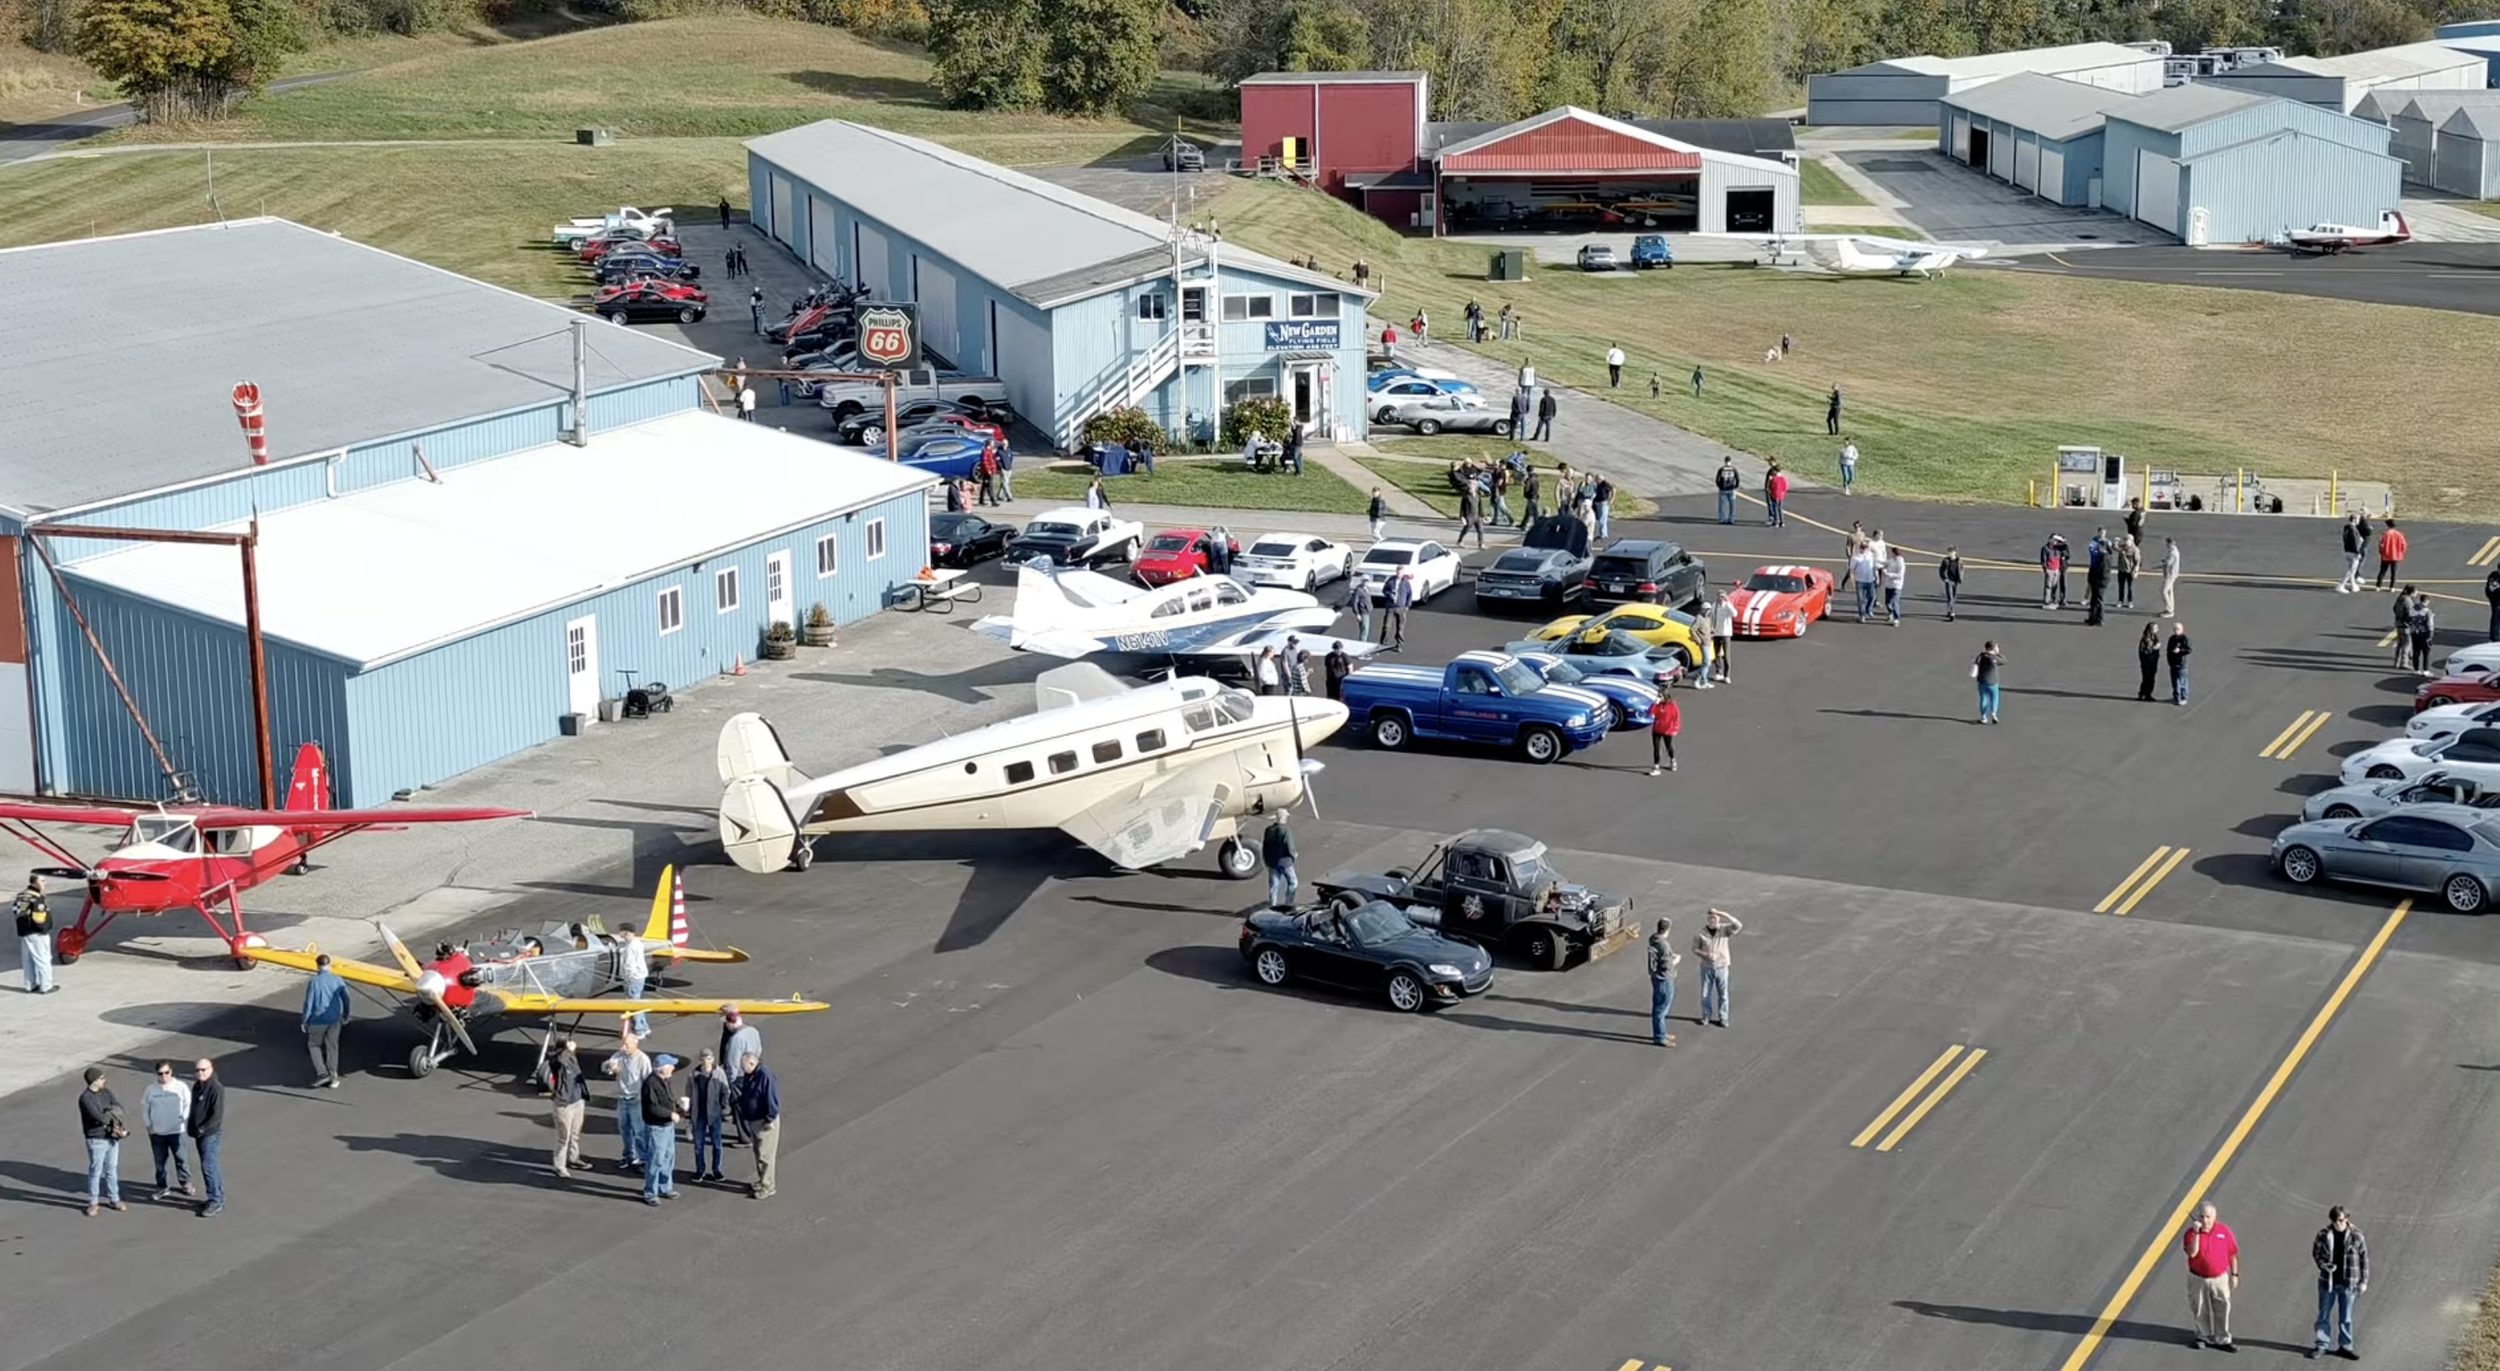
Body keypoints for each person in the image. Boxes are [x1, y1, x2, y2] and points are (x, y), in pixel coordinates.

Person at [2311, 1204, 2368, 1360]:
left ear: (2347, 1218)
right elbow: (2316, 1253)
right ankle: (2321, 1345)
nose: (2338, 1224)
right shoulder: (2324, 1235)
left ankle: (2345, 1346)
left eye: (2341, 1220)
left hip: (2349, 1283)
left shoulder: (2357, 1235)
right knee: (2323, 1315)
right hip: (2327, 1283)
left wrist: (2363, 1282)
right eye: (2335, 1221)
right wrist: (2323, 1265)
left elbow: (2364, 1259)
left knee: (2346, 1317)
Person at [2182, 1202, 2240, 1352]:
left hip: (2219, 1278)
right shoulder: (2191, 1233)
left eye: (2208, 1217)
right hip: (2197, 1277)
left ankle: (2223, 1339)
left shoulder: (2224, 1231)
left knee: (2223, 1307)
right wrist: (2196, 1233)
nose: (2204, 1220)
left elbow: (2232, 1254)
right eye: (2201, 1216)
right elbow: (2192, 1253)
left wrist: (2234, 1275)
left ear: (2214, 1217)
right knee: (2200, 1307)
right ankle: (2203, 1336)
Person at [79, 1066, 126, 1216]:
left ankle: (114, 1198)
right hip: (96, 1138)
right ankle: (93, 1202)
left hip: (111, 1136)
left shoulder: (107, 1092)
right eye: (101, 1078)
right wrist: (110, 1115)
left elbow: (118, 1107)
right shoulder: (85, 1098)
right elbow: (98, 1117)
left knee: (112, 1168)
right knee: (96, 1171)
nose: (104, 1080)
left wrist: (115, 1121)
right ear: (94, 1080)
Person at [639, 1055, 686, 1205]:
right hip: (656, 1128)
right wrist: (671, 1114)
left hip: (667, 1127)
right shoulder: (651, 1083)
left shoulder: (665, 1081)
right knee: (655, 1160)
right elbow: (652, 1107)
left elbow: (666, 1100)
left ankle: (665, 1187)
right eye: (671, 1065)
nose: (673, 1068)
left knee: (668, 1157)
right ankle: (650, 1192)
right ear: (663, 1069)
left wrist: (677, 1107)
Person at [301, 952, 351, 1088]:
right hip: (334, 1020)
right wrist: (346, 1015)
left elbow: (308, 1003)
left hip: (317, 1020)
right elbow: (346, 998)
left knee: (314, 1046)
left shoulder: (314, 982)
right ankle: (334, 1078)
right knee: (332, 1047)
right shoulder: (338, 980)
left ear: (317, 966)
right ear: (329, 965)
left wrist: (304, 1020)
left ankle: (322, 1073)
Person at [735, 1050, 781, 1199]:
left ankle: (768, 1186)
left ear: (752, 1063)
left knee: (766, 1155)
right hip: (754, 1119)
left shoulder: (765, 1076)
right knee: (758, 1152)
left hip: (764, 1121)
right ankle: (763, 1180)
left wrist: (770, 1119)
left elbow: (772, 1099)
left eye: (744, 1066)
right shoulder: (751, 1074)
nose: (742, 1069)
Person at [604, 1031, 651, 1171]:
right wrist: (609, 1066)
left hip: (637, 1100)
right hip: (622, 1099)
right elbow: (606, 1067)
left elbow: (648, 1081)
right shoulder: (619, 1056)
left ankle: (642, 1159)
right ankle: (629, 1156)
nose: (623, 1048)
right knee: (624, 1130)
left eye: (626, 1045)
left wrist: (643, 1098)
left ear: (635, 1044)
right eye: (622, 1044)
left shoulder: (643, 1059)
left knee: (639, 1131)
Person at [718, 1005, 763, 1144]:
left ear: (729, 1023)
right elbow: (759, 1049)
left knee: (739, 1106)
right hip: (753, 1070)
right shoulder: (753, 1031)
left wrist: (729, 1080)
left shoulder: (736, 1039)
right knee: (751, 1102)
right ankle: (754, 1131)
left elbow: (732, 1062)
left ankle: (745, 1137)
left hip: (739, 1076)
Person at [545, 1038, 587, 1179]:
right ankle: (559, 1166)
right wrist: (567, 1050)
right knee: (564, 1137)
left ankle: (573, 1158)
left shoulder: (570, 1058)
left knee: (575, 1134)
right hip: (564, 1104)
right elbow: (560, 1061)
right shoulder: (556, 1061)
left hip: (577, 1100)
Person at [187, 1057, 224, 1217]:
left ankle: (215, 1200)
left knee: (208, 1166)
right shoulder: (197, 1086)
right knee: (209, 1165)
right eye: (197, 1070)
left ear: (211, 1069)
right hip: (199, 1134)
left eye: (203, 1070)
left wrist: (202, 1129)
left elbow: (216, 1115)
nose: (200, 1073)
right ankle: (215, 1197)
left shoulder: (215, 1088)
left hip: (210, 1134)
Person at [688, 1049, 731, 1183]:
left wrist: (723, 1106)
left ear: (713, 1059)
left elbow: (726, 1090)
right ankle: (700, 1170)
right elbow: (688, 1093)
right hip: (698, 1114)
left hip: (714, 1114)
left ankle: (716, 1170)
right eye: (703, 1058)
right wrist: (688, 1111)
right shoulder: (693, 1075)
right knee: (698, 1145)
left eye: (709, 1058)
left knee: (717, 1144)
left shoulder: (719, 1073)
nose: (706, 1061)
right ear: (700, 1059)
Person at [1695, 908, 1741, 1027]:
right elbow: (1694, 949)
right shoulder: (1700, 932)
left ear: (1719, 918)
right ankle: (1706, 1016)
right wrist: (1706, 955)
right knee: (1705, 993)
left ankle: (1723, 1017)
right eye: (1710, 917)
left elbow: (1738, 925)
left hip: (1722, 967)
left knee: (1723, 994)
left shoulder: (1724, 929)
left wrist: (1724, 913)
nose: (1712, 920)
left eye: (1715, 918)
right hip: (1706, 967)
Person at [15, 874, 54, 993]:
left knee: (27, 959)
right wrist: (44, 929)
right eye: (42, 881)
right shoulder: (37, 898)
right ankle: (46, 985)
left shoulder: (21, 895)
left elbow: (17, 911)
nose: (44, 883)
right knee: (43, 958)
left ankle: (29, 984)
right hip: (37, 933)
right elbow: (39, 918)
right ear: (34, 882)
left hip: (24, 931)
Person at [1646, 918, 1680, 1049]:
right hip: (1664, 978)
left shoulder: (1653, 939)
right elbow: (1667, 965)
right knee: (1661, 1008)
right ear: (1668, 929)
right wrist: (1676, 960)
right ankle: (1660, 1037)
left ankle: (1662, 1032)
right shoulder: (1664, 945)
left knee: (1658, 1006)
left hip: (1656, 977)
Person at [615, 927, 651, 1037]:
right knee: (638, 1002)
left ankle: (638, 1030)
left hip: (633, 978)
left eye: (622, 933)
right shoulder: (637, 943)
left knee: (633, 1004)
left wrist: (626, 978)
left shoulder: (630, 947)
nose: (620, 935)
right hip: (640, 976)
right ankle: (644, 1026)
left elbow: (629, 965)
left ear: (626, 933)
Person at [1262, 811, 1297, 911]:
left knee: (1274, 886)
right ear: (1284, 818)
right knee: (1293, 882)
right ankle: (1288, 904)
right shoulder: (1286, 830)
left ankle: (1272, 906)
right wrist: (1293, 855)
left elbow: (1265, 847)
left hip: (1272, 862)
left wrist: (1266, 860)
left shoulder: (1268, 830)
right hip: (1285, 862)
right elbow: (1289, 846)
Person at [1647, 684, 1680, 776]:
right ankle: (1656, 767)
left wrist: (1675, 729)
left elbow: (1676, 717)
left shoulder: (1672, 705)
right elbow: (1650, 713)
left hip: (1667, 729)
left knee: (1668, 746)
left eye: (1660, 696)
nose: (1658, 698)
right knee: (1656, 748)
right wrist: (1654, 704)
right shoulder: (1658, 705)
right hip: (1657, 729)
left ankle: (1672, 760)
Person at [1973, 641, 2004, 725]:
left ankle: (1984, 717)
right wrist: (1998, 653)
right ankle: (1994, 714)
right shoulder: (1993, 658)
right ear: (1993, 648)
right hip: (1993, 682)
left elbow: (1976, 662)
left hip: (1982, 681)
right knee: (1994, 698)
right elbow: (2004, 661)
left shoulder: (1981, 656)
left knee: (1984, 698)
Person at [2338, 513, 2368, 594]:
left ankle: (2353, 585)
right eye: (2358, 519)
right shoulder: (2353, 529)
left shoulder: (2347, 528)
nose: (2359, 521)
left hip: (2347, 550)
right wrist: (2358, 552)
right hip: (2353, 552)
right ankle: (2341, 585)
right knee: (2351, 570)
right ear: (2354, 520)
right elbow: (2355, 542)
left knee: (2352, 569)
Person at [1709, 591, 1735, 685]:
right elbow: (1711, 617)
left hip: (1726, 634)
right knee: (1717, 654)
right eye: (1719, 596)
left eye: (1722, 597)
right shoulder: (1715, 605)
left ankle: (1727, 675)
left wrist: (1727, 602)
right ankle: (1718, 672)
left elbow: (1734, 614)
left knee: (1726, 655)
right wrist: (1711, 629)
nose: (1720, 599)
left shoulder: (1728, 606)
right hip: (1716, 633)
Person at [2375, 517, 2407, 591]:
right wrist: (2400, 553)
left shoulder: (2385, 534)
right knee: (2394, 572)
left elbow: (2381, 545)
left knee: (2382, 571)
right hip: (2395, 556)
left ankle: (2378, 586)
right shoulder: (2399, 534)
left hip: (2386, 556)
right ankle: (2392, 587)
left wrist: (2381, 552)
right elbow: (2404, 545)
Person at [1851, 540, 1879, 623]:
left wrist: (1877, 577)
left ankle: (1868, 609)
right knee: (1860, 599)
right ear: (1860, 548)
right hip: (1860, 581)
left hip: (1870, 580)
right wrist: (1853, 580)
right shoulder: (1856, 557)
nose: (1864, 549)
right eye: (1862, 548)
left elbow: (1874, 567)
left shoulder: (1871, 556)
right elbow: (1852, 570)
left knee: (1872, 597)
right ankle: (1862, 615)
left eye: (1865, 548)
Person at [1384, 570, 1413, 651]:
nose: (1398, 574)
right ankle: (1383, 643)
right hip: (1391, 607)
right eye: (1397, 572)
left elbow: (1410, 594)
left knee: (1400, 627)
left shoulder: (1406, 583)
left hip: (1401, 608)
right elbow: (1384, 590)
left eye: (1400, 573)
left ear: (1403, 573)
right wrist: (1389, 594)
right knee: (1387, 626)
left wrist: (1407, 605)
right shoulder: (1391, 580)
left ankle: (1399, 644)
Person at [2167, 622, 2193, 705]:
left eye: (2178, 629)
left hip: (2181, 664)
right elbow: (2168, 650)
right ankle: (2176, 697)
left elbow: (2189, 650)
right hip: (2173, 664)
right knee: (2174, 682)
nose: (2176, 630)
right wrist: (2169, 661)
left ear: (2182, 630)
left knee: (2182, 682)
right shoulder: (2172, 639)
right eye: (2174, 629)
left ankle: (2183, 697)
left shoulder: (2185, 639)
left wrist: (2180, 651)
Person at [2409, 596, 2436, 677]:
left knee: (2416, 651)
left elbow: (2408, 619)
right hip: (2424, 633)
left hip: (2414, 633)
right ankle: (2425, 670)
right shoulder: (2427, 611)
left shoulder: (2412, 609)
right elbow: (2430, 624)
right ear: (2427, 601)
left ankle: (2416, 669)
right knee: (2426, 652)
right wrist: (2430, 635)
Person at [2040, 535, 2069, 610]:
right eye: (2053, 540)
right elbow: (2043, 560)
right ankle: (2047, 601)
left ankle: (2053, 599)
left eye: (2055, 540)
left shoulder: (2058, 548)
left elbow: (2066, 550)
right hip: (2050, 569)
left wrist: (2062, 541)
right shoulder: (2045, 548)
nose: (2054, 542)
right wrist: (2045, 569)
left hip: (2056, 569)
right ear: (2049, 540)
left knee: (2054, 586)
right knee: (2048, 586)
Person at [1882, 546, 1907, 626]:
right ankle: (1890, 613)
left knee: (1895, 601)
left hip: (1897, 585)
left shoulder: (1901, 563)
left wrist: (1887, 574)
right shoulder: (1891, 561)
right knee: (1887, 602)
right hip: (1889, 585)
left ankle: (1896, 619)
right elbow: (1884, 562)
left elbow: (1900, 575)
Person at [2137, 623, 2163, 702]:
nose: (2157, 629)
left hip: (2153, 661)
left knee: (2149, 678)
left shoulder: (2154, 637)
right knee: (2147, 678)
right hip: (2147, 662)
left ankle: (2145, 693)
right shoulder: (2146, 639)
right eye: (2156, 628)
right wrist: (2154, 647)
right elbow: (2145, 651)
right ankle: (2146, 694)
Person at [1938, 546, 1963, 623]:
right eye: (1949, 553)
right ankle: (1952, 613)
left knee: (1954, 597)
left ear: (1955, 552)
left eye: (1951, 552)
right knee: (1950, 597)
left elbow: (1961, 570)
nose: (1950, 554)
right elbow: (1941, 570)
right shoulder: (1946, 561)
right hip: (1949, 581)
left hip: (1955, 581)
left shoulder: (1959, 561)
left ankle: (1949, 610)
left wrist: (1960, 579)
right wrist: (1944, 578)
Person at [1344, 577, 1373, 642]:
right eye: (1364, 581)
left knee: (1366, 630)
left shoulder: (1367, 589)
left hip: (1367, 612)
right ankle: (1362, 643)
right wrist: (1357, 613)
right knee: (1364, 629)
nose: (1366, 582)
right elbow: (1355, 602)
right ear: (1362, 581)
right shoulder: (1358, 590)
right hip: (1363, 612)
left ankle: (1363, 642)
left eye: (1367, 581)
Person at [1456, 482, 1484, 550]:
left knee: (1480, 530)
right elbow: (1462, 507)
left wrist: (1482, 515)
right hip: (1469, 515)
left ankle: (1481, 544)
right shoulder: (1466, 496)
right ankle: (1460, 541)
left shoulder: (1478, 495)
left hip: (1477, 515)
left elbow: (1480, 505)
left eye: (1473, 485)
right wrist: (1462, 516)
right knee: (1467, 528)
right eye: (1470, 485)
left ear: (1475, 487)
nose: (1471, 487)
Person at [2117, 534, 2141, 610]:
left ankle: (2130, 601)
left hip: (2130, 571)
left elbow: (2137, 561)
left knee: (2130, 587)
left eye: (2128, 540)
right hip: (2121, 570)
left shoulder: (2135, 550)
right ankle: (2120, 600)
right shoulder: (2122, 547)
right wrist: (2116, 542)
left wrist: (2135, 570)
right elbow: (2114, 548)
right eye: (2125, 540)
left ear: (2132, 541)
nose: (2126, 541)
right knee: (2121, 587)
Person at [1714, 458, 1740, 525]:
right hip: (1731, 488)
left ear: (1725, 461)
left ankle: (1722, 519)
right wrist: (1735, 487)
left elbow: (1717, 479)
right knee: (1732, 505)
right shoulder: (1734, 469)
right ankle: (1731, 519)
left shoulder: (1721, 469)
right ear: (1730, 462)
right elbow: (1737, 479)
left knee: (1722, 505)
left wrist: (1720, 486)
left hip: (1723, 489)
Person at [2161, 538, 2182, 616]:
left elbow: (2168, 563)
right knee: (2170, 591)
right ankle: (2170, 608)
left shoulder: (2172, 553)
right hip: (2174, 573)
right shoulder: (2174, 551)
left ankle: (2169, 610)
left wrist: (2163, 564)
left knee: (2164, 591)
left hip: (2170, 574)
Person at [1592, 475, 1614, 540]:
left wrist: (1611, 500)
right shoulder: (1597, 485)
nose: (1596, 481)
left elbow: (1612, 490)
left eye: (1597, 479)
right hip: (1598, 503)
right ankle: (1602, 533)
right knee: (1600, 519)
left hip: (1603, 503)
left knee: (1602, 519)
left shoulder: (1605, 484)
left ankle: (1603, 535)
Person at [2487, 564, 2500, 642]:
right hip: (2497, 602)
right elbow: (2492, 591)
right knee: (2496, 619)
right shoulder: (2494, 578)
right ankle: (2494, 638)